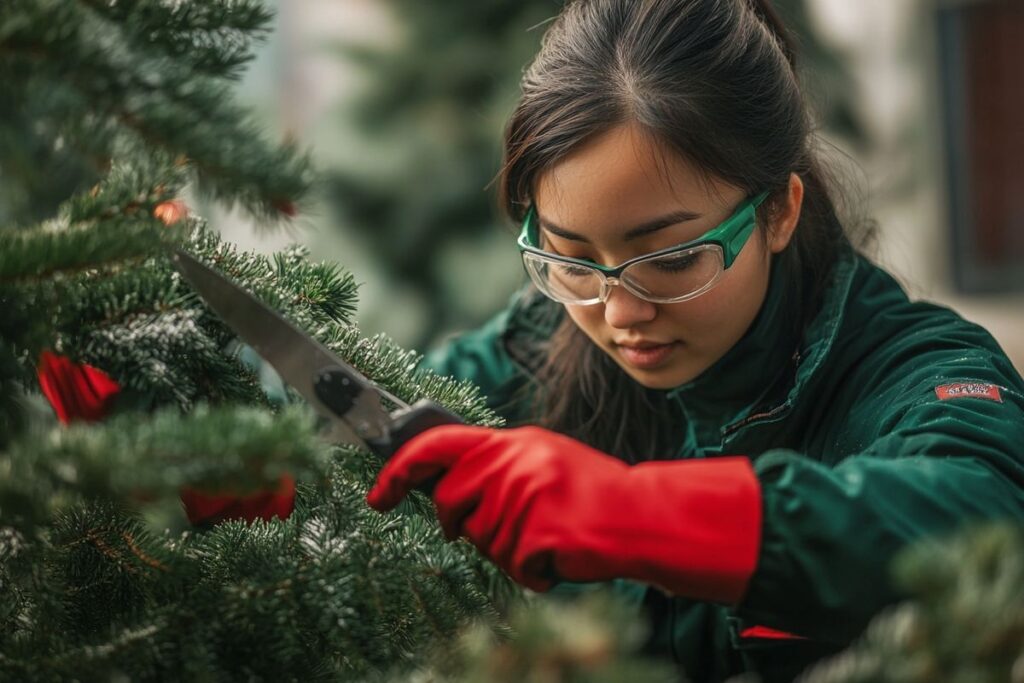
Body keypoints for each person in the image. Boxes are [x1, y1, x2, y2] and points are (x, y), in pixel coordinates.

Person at [365, 0, 1024, 680]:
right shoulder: (547, 338)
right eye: (571, 260)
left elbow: (983, 516)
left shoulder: (913, 369)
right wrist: (281, 461)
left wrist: (635, 513)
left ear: (778, 211)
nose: (618, 312)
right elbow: (382, 410)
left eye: (673, 260)